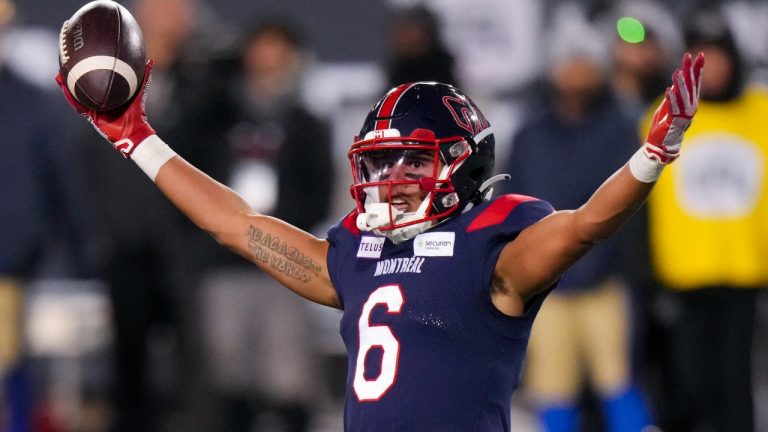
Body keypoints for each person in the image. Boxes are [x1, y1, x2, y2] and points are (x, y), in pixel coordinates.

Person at [54, 38, 703, 429]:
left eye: (411, 160)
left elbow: (587, 225)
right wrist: (133, 137)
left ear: (462, 162)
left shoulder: (495, 248)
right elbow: (234, 223)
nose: (390, 178)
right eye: (380, 162)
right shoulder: (358, 255)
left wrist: (650, 157)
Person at [500, 16, 651, 431]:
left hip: (608, 279)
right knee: (553, 390)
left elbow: (637, 208)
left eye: (584, 61)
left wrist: (624, 268)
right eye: (568, 62)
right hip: (548, 283)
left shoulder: (622, 128)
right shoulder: (531, 134)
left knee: (620, 383)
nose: (576, 71)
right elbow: (512, 207)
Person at [642, 9, 768, 432]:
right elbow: (642, 200)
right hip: (681, 277)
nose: (713, 66)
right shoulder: (662, 117)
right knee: (685, 387)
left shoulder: (762, 113)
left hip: (744, 275)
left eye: (719, 54)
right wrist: (647, 274)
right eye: (702, 56)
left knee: (734, 388)